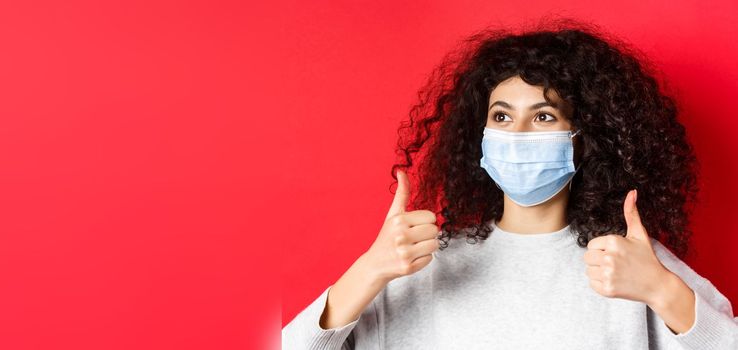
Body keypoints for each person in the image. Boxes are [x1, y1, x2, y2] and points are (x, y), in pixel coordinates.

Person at [281, 19, 738, 349]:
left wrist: (662, 290)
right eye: (501, 116)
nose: (516, 135)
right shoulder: (417, 265)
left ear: (584, 140)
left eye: (543, 116)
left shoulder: (633, 263)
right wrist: (368, 272)